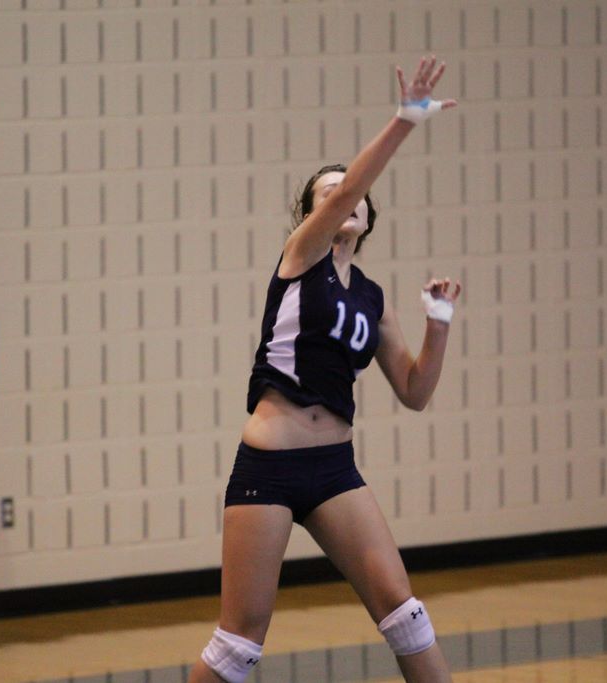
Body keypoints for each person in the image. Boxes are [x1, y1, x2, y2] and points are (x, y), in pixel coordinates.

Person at [189, 56, 460, 683]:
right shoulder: (301, 257)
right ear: (315, 214)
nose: (347, 197)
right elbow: (342, 193)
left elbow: (414, 390)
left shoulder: (372, 298)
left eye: (353, 193)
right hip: (270, 466)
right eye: (332, 194)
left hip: (334, 467)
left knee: (405, 613)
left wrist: (439, 324)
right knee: (238, 645)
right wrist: (403, 121)